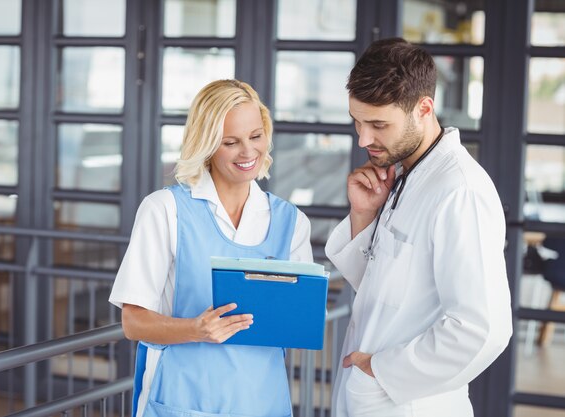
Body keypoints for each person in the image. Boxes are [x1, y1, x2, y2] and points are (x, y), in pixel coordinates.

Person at [325, 38, 512, 417]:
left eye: (378, 124)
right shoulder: (406, 174)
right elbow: (393, 290)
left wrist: (380, 372)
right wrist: (364, 216)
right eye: (357, 121)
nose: (363, 139)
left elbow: (482, 329)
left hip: (409, 403)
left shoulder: (460, 190)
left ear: (423, 108)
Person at [109, 79, 313, 417]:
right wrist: (194, 329)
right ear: (206, 144)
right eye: (230, 142)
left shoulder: (290, 222)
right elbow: (133, 322)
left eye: (256, 136)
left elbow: (297, 320)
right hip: (183, 399)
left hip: (262, 401)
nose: (248, 152)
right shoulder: (165, 209)